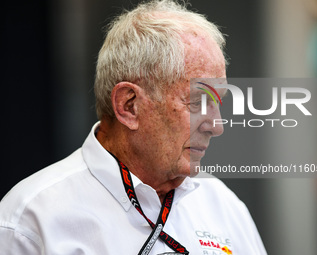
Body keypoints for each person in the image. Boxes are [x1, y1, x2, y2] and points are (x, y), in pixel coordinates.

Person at [0, 0, 267, 254]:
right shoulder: (31, 220)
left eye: (218, 102)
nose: (216, 126)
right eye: (197, 102)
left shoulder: (223, 206)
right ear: (129, 105)